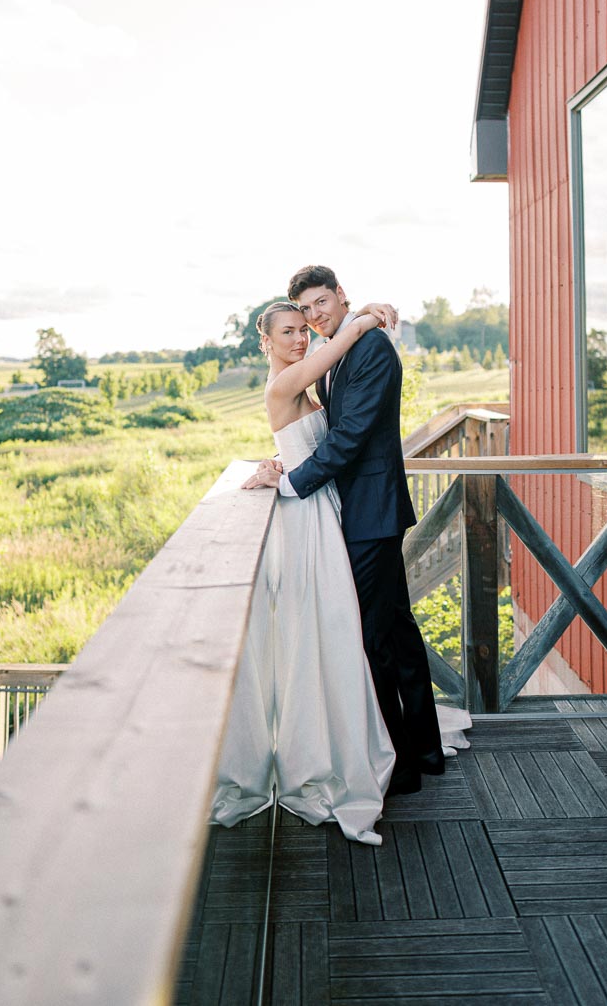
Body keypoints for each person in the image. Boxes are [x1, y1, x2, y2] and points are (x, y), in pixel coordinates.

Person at [246, 265, 445, 795]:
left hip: (367, 512)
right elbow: (319, 431)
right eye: (304, 312)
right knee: (394, 632)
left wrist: (292, 483)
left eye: (320, 304)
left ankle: (402, 761)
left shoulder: (369, 348)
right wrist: (283, 463)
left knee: (377, 638)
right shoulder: (333, 354)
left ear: (340, 296)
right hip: (353, 509)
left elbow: (351, 435)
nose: (313, 317)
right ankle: (422, 747)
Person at [212, 299, 397, 844]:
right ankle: (316, 756)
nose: (300, 338)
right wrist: (363, 319)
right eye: (288, 332)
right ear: (264, 342)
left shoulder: (295, 378)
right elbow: (336, 345)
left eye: (302, 329)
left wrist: (280, 466)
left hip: (322, 507)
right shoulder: (283, 383)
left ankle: (333, 742)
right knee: (328, 626)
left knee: (336, 626)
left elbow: (304, 441)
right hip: (307, 516)